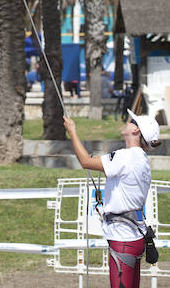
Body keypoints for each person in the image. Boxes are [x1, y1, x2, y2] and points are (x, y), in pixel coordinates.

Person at [64, 109, 161, 288]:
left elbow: (85, 161)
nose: (129, 120)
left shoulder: (126, 157)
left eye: (133, 120)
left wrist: (72, 131)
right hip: (134, 237)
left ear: (137, 131)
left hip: (123, 239)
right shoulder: (141, 159)